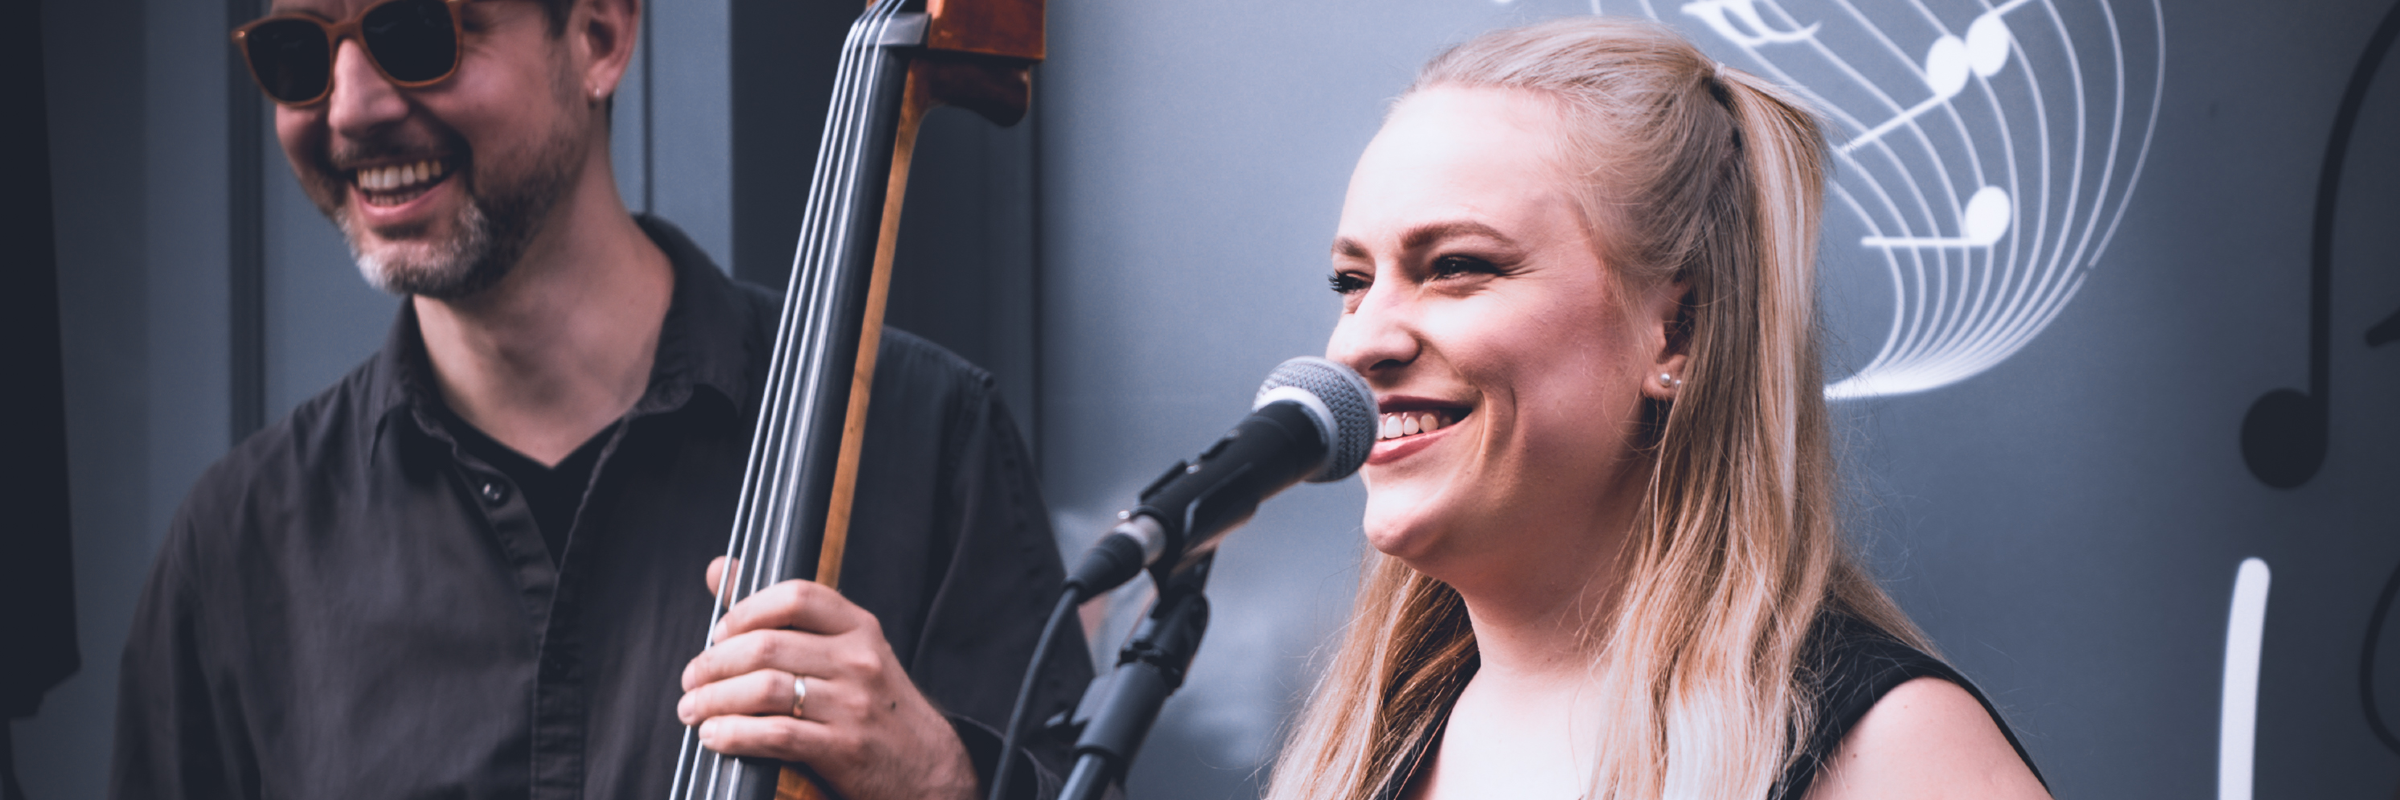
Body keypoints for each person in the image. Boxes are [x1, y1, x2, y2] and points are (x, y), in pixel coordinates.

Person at [109, 0, 1087, 798]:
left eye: (417, 32)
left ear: (599, 38)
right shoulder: (238, 543)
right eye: (297, 53)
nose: (351, 105)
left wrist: (941, 778)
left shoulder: (928, 437)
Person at [1267, 18, 2050, 800]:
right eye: (1352, 283)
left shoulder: (1893, 759)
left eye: (1456, 266)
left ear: (1678, 331)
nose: (1358, 343)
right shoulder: (1364, 749)